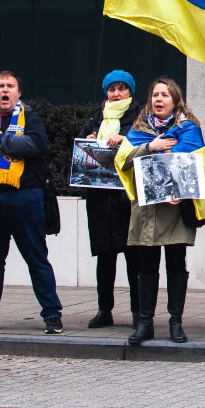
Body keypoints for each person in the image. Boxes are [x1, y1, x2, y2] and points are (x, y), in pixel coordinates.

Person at [0, 71, 64, 334]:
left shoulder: (30, 117)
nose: (5, 90)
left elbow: (37, 145)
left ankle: (52, 315)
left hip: (24, 198)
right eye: (0, 86)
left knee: (36, 258)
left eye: (10, 86)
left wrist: (1, 140)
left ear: (18, 93)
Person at [116, 77, 205, 346]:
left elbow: (192, 163)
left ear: (175, 100)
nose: (159, 99)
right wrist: (150, 147)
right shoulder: (139, 129)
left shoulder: (189, 129)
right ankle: (145, 323)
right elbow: (122, 161)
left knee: (175, 265)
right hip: (147, 211)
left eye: (165, 95)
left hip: (175, 211)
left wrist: (177, 192)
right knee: (145, 267)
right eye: (155, 95)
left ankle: (175, 323)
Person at [76, 70, 141, 329]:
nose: (116, 94)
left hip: (128, 196)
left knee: (133, 255)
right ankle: (105, 310)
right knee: (104, 255)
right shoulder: (95, 117)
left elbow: (146, 145)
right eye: (112, 89)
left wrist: (125, 140)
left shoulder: (138, 118)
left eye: (122, 88)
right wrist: (88, 141)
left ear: (130, 91)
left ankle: (138, 311)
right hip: (100, 196)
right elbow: (79, 152)